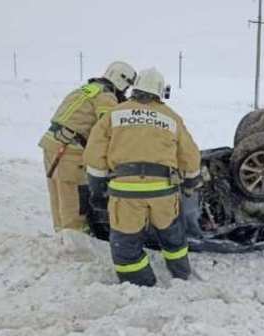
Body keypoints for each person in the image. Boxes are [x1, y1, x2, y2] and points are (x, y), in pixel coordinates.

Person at [84, 68, 201, 286]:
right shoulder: (171, 117)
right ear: (160, 91)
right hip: (163, 191)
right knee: (172, 236)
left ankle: (141, 283)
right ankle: (182, 274)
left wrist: (98, 187)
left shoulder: (114, 114)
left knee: (126, 243)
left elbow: (94, 153)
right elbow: (190, 156)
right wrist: (191, 181)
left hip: (125, 192)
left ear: (135, 88)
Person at [39, 61, 137, 233]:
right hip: (70, 152)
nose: (125, 92)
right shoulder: (106, 96)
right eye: (126, 87)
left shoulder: (86, 89)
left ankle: (61, 237)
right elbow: (111, 128)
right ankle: (76, 242)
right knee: (76, 202)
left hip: (51, 144)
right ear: (121, 80)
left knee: (59, 197)